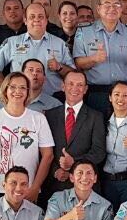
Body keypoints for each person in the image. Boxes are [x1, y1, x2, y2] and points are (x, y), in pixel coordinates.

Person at [0, 72, 55, 202]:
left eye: (23, 87)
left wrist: (35, 187)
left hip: (27, 189)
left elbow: (48, 155)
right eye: (13, 87)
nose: (18, 91)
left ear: (28, 92)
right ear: (5, 90)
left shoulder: (38, 118)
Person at [73, 0, 127, 116]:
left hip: (125, 93)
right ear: (98, 9)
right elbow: (78, 63)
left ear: (121, 9)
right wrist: (94, 59)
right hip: (97, 93)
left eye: (116, 5)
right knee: (97, 127)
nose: (112, 9)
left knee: (126, 127)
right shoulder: (84, 32)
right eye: (107, 5)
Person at [43, 70, 107, 200]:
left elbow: (99, 152)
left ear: (85, 89)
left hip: (85, 186)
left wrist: (74, 164)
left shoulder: (96, 116)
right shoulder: (49, 115)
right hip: (56, 185)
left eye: (80, 85)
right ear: (63, 86)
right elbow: (44, 151)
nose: (75, 88)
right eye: (70, 84)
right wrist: (55, 171)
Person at [0, 3, 73, 99]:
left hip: (52, 102)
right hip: (19, 101)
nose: (36, 20)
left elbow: (72, 74)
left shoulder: (60, 43)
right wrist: (5, 89)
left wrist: (59, 67)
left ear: (46, 20)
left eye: (40, 16)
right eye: (32, 17)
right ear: (25, 20)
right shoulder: (12, 42)